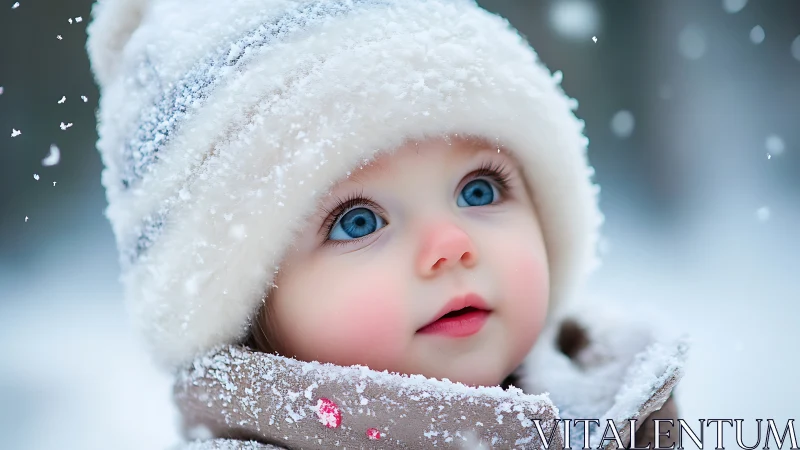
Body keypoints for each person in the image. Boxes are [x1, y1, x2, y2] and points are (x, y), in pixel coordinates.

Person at [87, 0, 688, 448]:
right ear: (245, 314)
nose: (452, 246)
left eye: (479, 189)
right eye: (356, 222)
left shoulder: (624, 408)